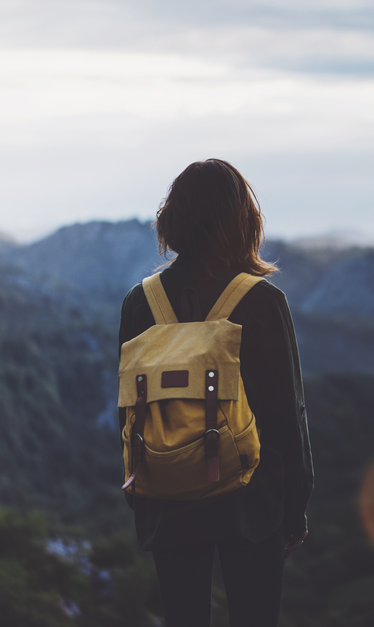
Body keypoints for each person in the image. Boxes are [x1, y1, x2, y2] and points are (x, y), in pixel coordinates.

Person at [117, 159, 314, 626]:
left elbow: (126, 410)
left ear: (172, 218)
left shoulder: (139, 302)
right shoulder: (262, 300)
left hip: (166, 494)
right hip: (251, 498)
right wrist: (295, 506)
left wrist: (140, 491)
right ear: (244, 221)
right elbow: (287, 413)